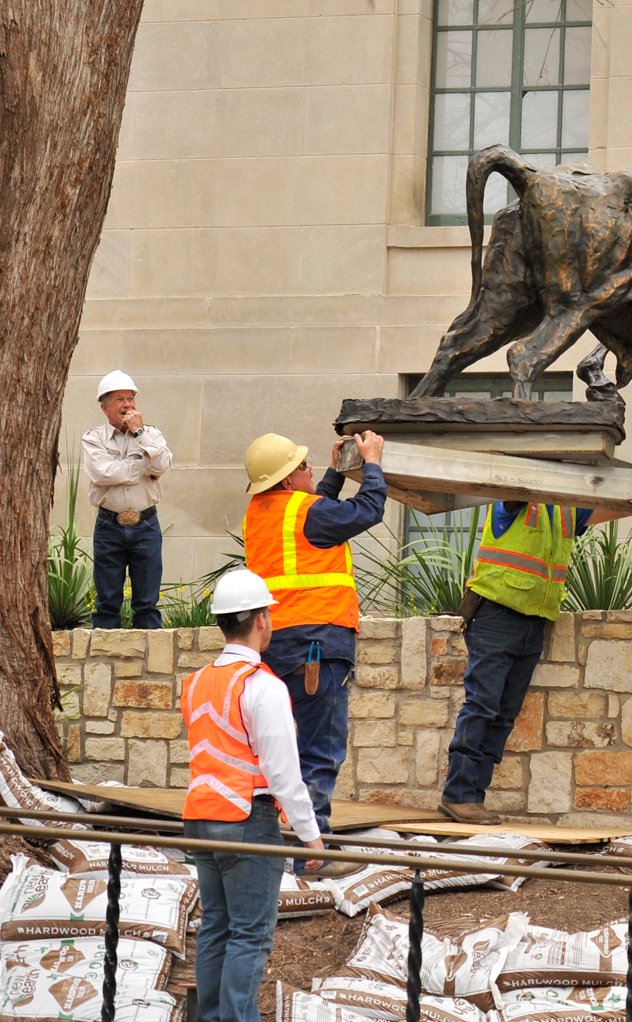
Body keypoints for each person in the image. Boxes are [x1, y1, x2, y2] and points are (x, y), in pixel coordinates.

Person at [182, 568, 327, 1022]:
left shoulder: (197, 681)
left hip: (200, 817)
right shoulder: (263, 686)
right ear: (262, 619)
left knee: (217, 930)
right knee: (249, 935)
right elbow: (284, 773)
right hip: (246, 817)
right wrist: (311, 836)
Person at [241, 430, 385, 864]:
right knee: (319, 752)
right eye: (302, 466)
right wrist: (371, 462)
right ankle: (312, 851)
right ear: (286, 480)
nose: (309, 471)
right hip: (317, 649)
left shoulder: (260, 513)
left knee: (278, 752)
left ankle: (278, 846)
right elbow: (369, 509)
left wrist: (334, 474)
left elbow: (312, 513)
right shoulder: (308, 514)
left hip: (274, 648)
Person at [440, 497, 631, 823]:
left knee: (502, 716)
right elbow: (515, 489)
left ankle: (473, 797)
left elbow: (618, 505)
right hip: (495, 614)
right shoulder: (514, 502)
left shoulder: (567, 510)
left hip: (534, 621)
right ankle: (458, 795)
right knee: (482, 705)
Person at [81, 371, 173, 630]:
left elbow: (163, 463)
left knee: (147, 602)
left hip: (146, 524)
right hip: (109, 526)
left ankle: (152, 666)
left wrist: (140, 434)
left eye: (131, 398)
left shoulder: (150, 434)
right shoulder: (94, 438)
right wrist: (144, 468)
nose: (127, 405)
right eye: (120, 399)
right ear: (105, 408)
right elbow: (103, 473)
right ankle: (105, 663)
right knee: (107, 601)